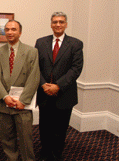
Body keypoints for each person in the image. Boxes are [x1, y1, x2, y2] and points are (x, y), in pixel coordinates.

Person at [35, 12, 83, 161]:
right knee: (44, 127)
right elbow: (35, 67)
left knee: (60, 129)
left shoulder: (75, 44)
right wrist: (43, 85)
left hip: (64, 94)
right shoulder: (41, 42)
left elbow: (76, 69)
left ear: (66, 24)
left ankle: (56, 155)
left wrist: (58, 86)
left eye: (61, 22)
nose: (58, 25)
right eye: (55, 22)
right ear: (51, 24)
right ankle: (45, 152)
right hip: (44, 93)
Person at [0, 20, 40, 161]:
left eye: (13, 29)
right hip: (3, 104)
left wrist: (23, 101)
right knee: (7, 139)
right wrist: (5, 97)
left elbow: (34, 78)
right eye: (7, 29)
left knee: (26, 139)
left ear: (20, 32)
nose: (10, 32)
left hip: (22, 105)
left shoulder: (31, 52)